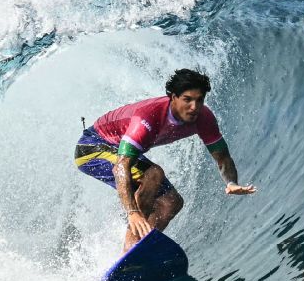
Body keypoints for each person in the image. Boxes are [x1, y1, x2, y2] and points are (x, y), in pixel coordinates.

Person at [74, 69, 256, 251]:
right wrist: (133, 213)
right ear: (173, 97)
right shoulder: (147, 118)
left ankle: (139, 251)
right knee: (153, 174)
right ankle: (128, 250)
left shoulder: (203, 118)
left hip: (115, 150)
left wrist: (231, 182)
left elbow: (222, 157)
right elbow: (121, 166)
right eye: (187, 99)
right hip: (92, 148)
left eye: (199, 100)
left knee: (172, 202)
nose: (194, 106)